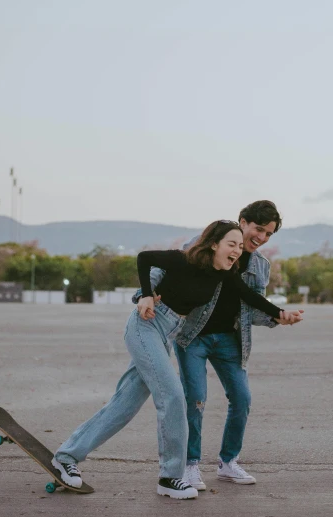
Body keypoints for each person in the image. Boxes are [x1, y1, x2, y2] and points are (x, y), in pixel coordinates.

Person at [52, 220, 297, 500]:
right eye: (232, 244)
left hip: (167, 334)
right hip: (147, 325)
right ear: (214, 244)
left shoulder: (223, 274)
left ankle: (67, 456)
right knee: (173, 396)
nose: (237, 251)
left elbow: (249, 296)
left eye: (240, 247)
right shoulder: (185, 260)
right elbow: (144, 258)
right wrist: (145, 295)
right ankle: (171, 477)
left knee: (124, 404)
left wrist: (281, 314)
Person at [137, 200, 303, 491]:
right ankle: (189, 466)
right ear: (242, 221)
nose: (262, 238)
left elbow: (253, 304)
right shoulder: (205, 243)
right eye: (258, 229)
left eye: (269, 235)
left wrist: (279, 316)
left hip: (231, 339)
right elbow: (160, 269)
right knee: (196, 400)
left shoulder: (259, 265)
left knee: (242, 399)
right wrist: (144, 295)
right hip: (193, 336)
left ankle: (228, 463)